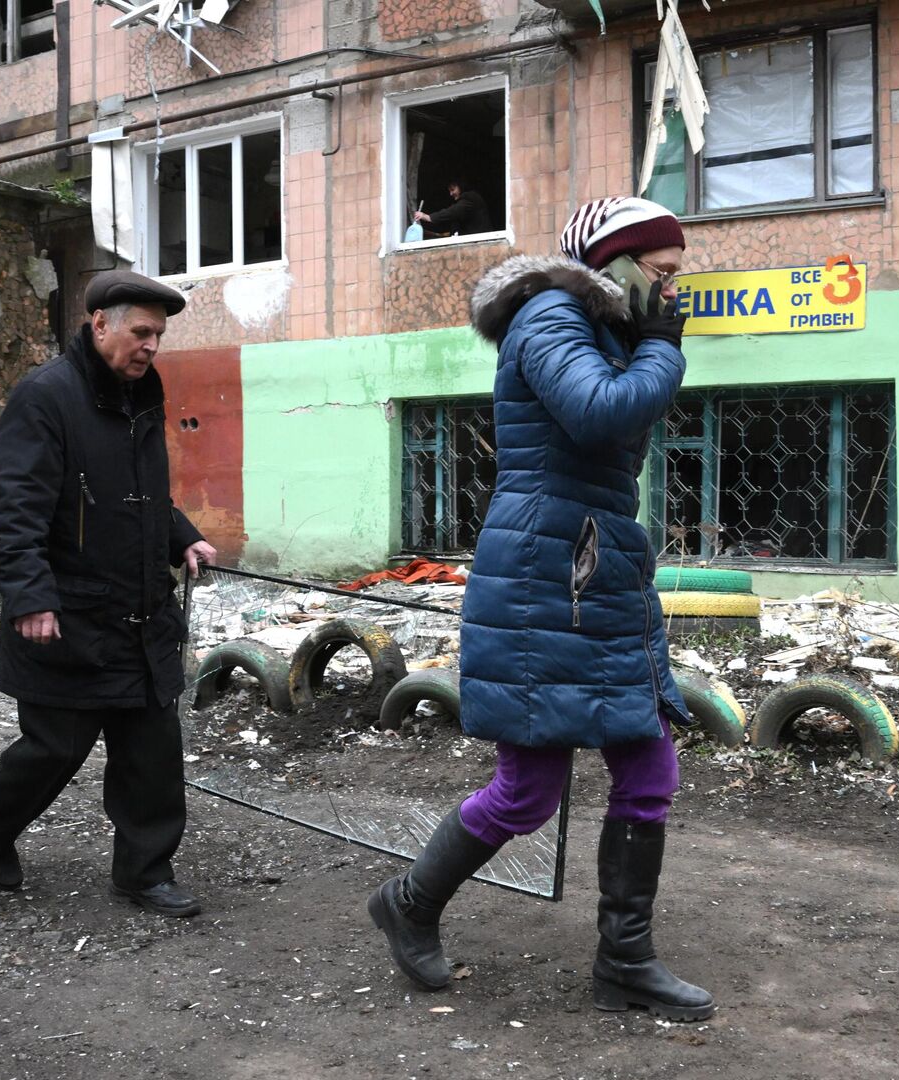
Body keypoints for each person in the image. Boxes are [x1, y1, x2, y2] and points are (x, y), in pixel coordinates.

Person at [367, 196, 714, 1021]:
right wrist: (665, 348)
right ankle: (409, 903)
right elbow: (599, 412)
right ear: (616, 262)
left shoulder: (605, 327)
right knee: (528, 790)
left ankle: (624, 960)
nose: (673, 292)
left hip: (595, 562)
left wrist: (649, 341)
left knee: (648, 761)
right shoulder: (549, 314)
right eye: (661, 274)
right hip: (545, 569)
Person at [0, 270, 217, 919]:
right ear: (100, 324)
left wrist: (181, 535)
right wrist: (30, 597)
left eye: (158, 334)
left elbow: (144, 491)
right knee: (53, 750)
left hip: (142, 612)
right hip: (70, 616)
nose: (151, 345)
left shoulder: (141, 395)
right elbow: (15, 507)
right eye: (141, 331)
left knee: (152, 751)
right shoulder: (46, 397)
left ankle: (144, 873)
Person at [413, 178, 492, 236]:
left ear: (461, 186)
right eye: (449, 191)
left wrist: (428, 217)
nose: (451, 194)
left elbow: (452, 212)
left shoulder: (470, 197)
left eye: (453, 189)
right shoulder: (468, 199)